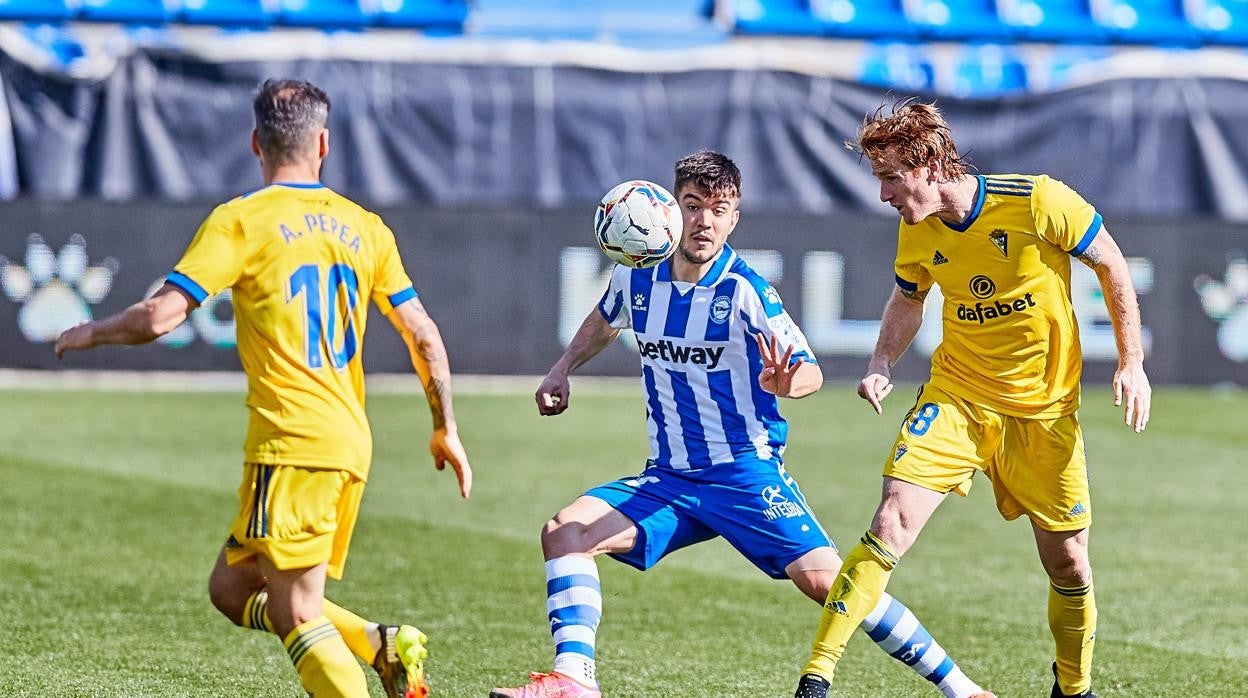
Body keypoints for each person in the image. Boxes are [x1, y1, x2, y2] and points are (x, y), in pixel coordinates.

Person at [492, 150, 992, 698]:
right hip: (671, 479)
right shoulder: (637, 275)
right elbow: (606, 319)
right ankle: (573, 680)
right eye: (693, 205)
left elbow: (809, 370)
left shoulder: (744, 289)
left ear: (734, 218)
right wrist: (563, 369)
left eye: (719, 208)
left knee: (830, 584)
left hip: (745, 477)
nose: (704, 221)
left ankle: (963, 689)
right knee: (566, 532)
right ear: (671, 211)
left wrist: (786, 383)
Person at [55, 78, 472, 698]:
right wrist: (446, 427)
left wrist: (90, 332)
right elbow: (425, 337)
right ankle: (380, 644)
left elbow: (159, 317)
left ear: (256, 142)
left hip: (294, 443)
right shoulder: (365, 228)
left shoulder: (242, 220)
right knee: (231, 590)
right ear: (323, 143)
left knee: (298, 613)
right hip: (347, 440)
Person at [794, 101, 1151, 698]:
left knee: (1068, 564)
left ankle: (1075, 686)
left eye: (891, 176)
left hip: (1044, 412)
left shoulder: (1038, 201)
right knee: (890, 520)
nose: (883, 194)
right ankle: (816, 676)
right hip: (957, 398)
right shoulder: (916, 228)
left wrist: (1132, 362)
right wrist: (882, 361)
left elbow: (1111, 263)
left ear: (929, 164)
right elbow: (909, 297)